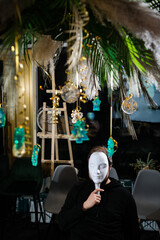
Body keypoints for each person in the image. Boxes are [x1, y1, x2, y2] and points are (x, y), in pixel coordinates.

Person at [58, 146, 140, 240]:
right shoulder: (78, 189)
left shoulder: (123, 196)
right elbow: (62, 223)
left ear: (110, 167)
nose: (97, 171)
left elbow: (133, 233)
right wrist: (83, 206)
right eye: (92, 165)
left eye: (102, 166)